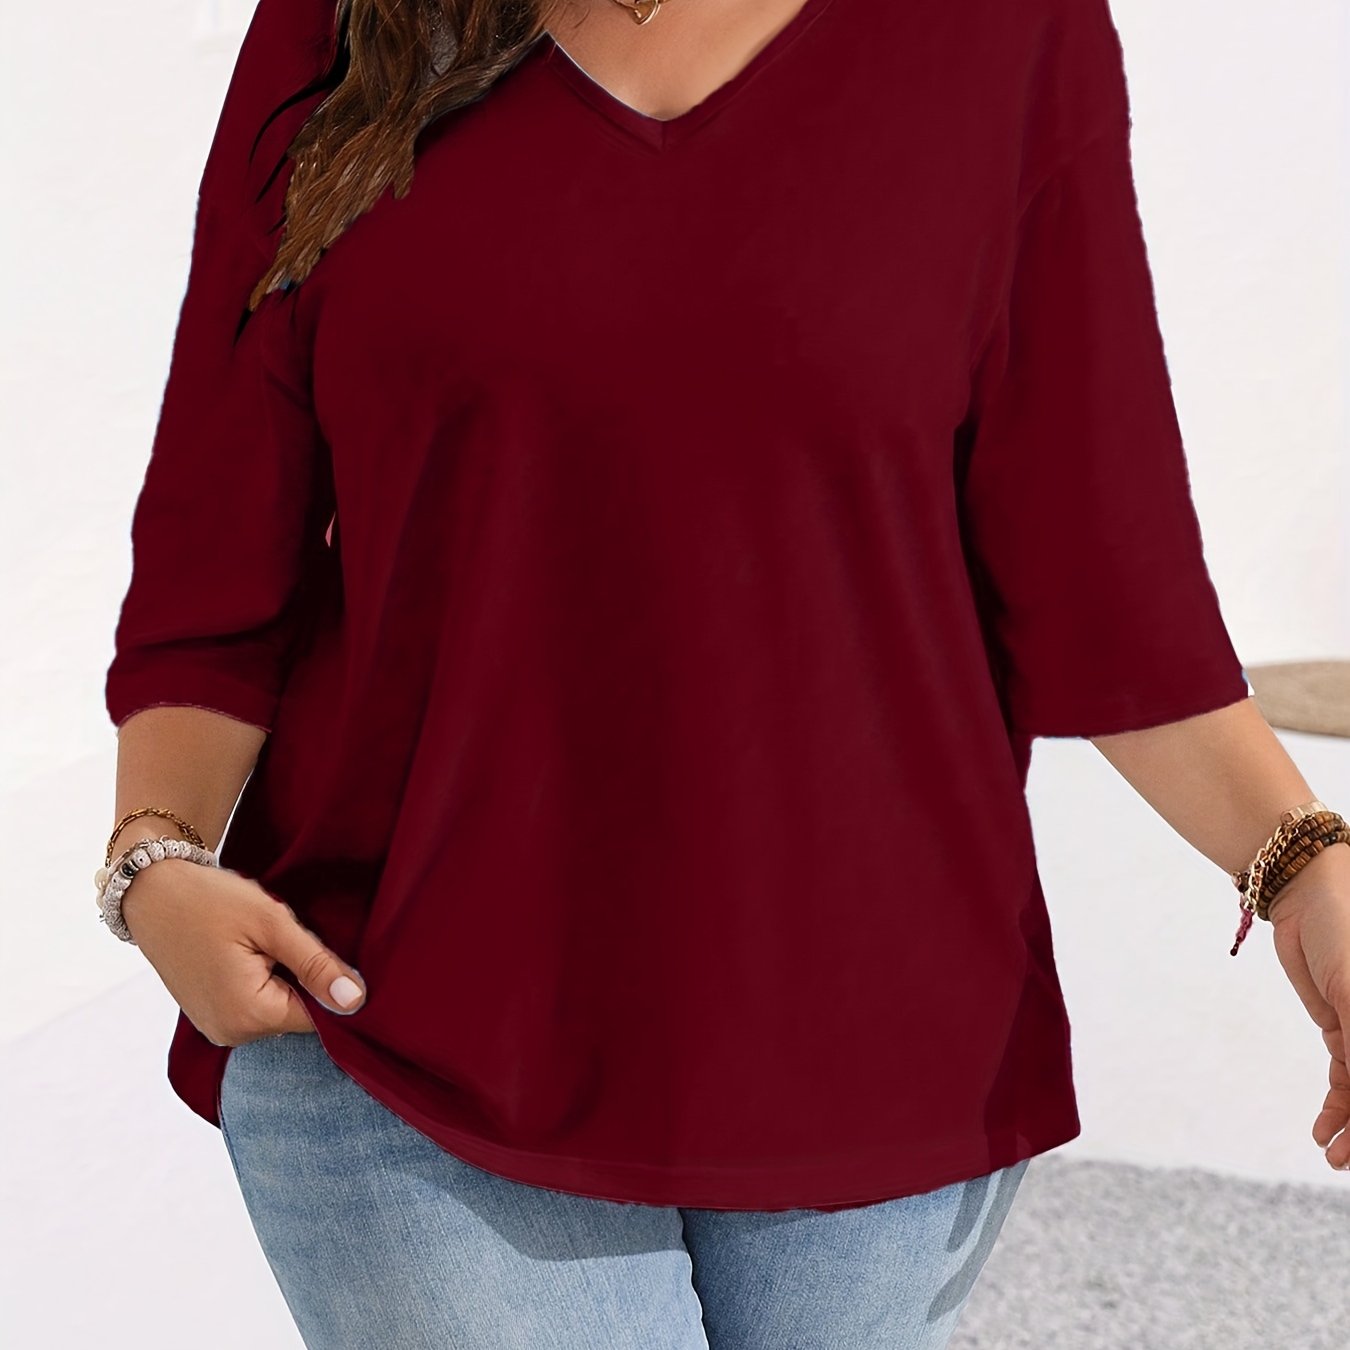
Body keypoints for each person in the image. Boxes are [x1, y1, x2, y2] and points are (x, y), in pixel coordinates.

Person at [99, 0, 1350, 1346]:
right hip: (397, 1015)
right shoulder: (349, 25)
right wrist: (153, 856)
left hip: (878, 1036)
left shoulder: (1008, 34)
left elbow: (1100, 569)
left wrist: (1303, 863)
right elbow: (220, 538)